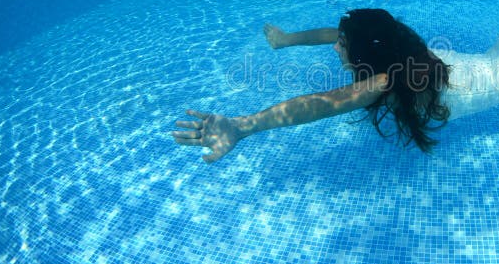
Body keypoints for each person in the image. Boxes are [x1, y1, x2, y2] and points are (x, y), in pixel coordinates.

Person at [172, 9, 451, 162]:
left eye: (342, 45)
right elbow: (335, 33)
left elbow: (320, 104)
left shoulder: (385, 81)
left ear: (365, 54)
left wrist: (241, 126)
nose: (334, 47)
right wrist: (286, 39)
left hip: (484, 85)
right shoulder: (392, 39)